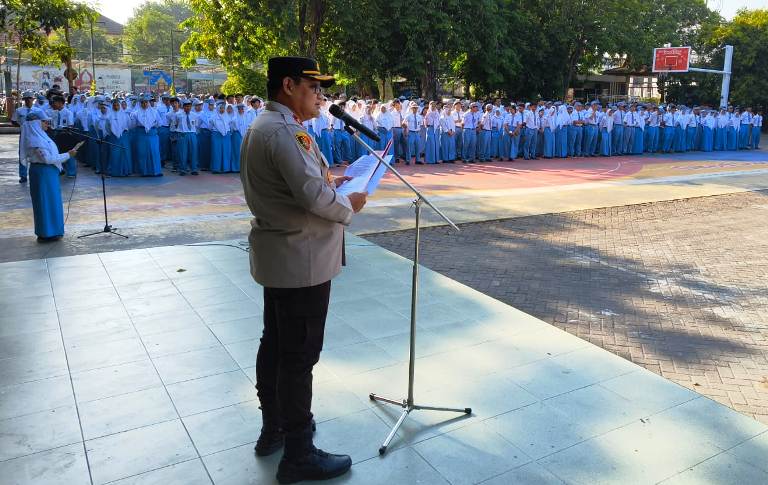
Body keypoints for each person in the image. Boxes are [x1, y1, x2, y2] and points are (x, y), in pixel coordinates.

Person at [240, 56, 367, 485]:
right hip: (302, 258)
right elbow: (313, 198)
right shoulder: (285, 131)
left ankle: (274, 427)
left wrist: (332, 182)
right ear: (289, 85)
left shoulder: (267, 125)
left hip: (284, 254)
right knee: (299, 355)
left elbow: (303, 185)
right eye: (314, 88)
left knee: (276, 343)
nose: (321, 96)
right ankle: (299, 454)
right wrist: (348, 203)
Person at [20, 111, 79, 241]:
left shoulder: (41, 136)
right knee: (44, 202)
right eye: (44, 121)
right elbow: (47, 159)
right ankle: (46, 232)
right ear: (36, 123)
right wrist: (67, 155)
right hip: (42, 173)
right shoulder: (34, 140)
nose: (47, 124)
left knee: (53, 201)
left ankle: (54, 230)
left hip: (49, 173)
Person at [105, 98, 132, 176]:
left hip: (123, 136)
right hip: (113, 138)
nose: (116, 107)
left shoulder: (125, 115)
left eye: (117, 105)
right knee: (114, 154)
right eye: (114, 105)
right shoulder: (109, 116)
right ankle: (114, 171)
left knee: (124, 153)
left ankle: (125, 170)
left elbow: (129, 125)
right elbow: (107, 127)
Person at [174, 99, 199, 175]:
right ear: (183, 107)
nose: (188, 108)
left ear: (191, 107)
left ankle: (194, 169)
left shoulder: (194, 115)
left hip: (192, 134)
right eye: (186, 106)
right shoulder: (178, 115)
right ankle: (183, 169)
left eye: (189, 106)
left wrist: (194, 133)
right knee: (182, 152)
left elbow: (196, 125)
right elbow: (176, 124)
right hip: (183, 134)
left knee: (193, 152)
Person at [210, 100, 233, 173]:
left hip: (226, 136)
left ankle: (226, 168)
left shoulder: (228, 116)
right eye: (220, 108)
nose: (222, 110)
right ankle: (216, 169)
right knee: (216, 151)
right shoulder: (213, 117)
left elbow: (230, 126)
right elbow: (210, 127)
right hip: (216, 135)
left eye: (223, 108)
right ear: (217, 108)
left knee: (226, 151)